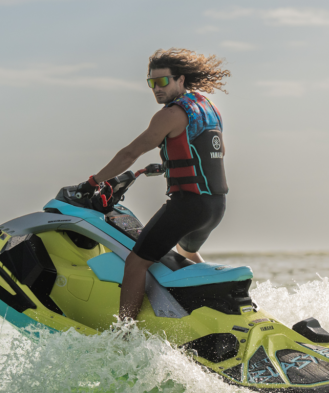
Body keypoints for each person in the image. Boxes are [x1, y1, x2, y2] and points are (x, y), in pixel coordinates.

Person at [75, 48, 231, 320]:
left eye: (163, 81)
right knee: (187, 252)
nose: (157, 89)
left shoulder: (170, 114)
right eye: (152, 83)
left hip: (188, 205)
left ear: (180, 79)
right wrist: (171, 164)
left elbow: (130, 153)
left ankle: (124, 334)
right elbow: (213, 152)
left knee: (136, 263)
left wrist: (92, 182)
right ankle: (220, 307)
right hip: (215, 206)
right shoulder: (209, 108)